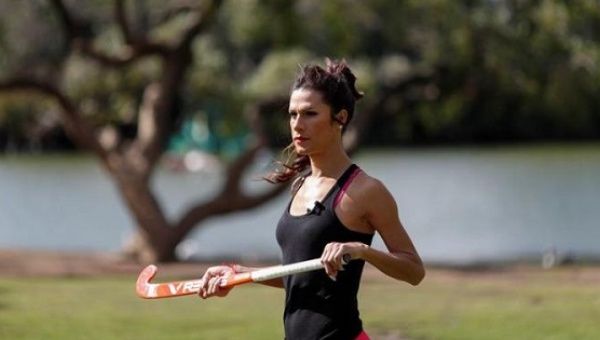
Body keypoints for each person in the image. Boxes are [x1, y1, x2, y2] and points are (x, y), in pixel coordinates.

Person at [198, 59, 425, 340]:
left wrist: (362, 250)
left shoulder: (366, 190)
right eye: (292, 115)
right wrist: (237, 273)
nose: (297, 125)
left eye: (309, 114)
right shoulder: (301, 185)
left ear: (339, 118)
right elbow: (301, 277)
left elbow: (414, 270)